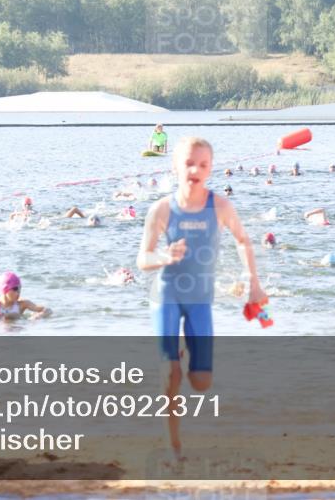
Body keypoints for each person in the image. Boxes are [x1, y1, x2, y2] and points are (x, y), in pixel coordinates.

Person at [137, 136, 267, 460]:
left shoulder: (219, 206)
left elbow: (242, 240)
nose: (195, 169)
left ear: (210, 169)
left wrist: (254, 283)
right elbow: (142, 259)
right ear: (175, 167)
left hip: (200, 301)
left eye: (203, 164)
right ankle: (173, 445)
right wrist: (163, 257)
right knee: (170, 374)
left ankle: (183, 355)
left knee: (201, 382)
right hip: (166, 296)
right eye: (188, 163)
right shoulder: (162, 209)